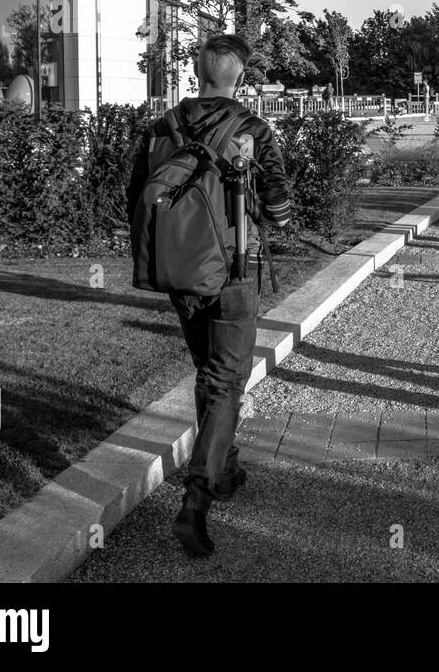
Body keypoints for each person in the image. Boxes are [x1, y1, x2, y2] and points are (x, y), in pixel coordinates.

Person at [125, 34, 293, 556]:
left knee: (211, 374)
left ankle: (224, 468)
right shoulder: (253, 129)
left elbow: (132, 199)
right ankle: (195, 501)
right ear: (239, 76)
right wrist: (263, 216)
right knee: (226, 381)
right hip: (233, 272)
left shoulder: (160, 129)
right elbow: (280, 207)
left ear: (197, 74)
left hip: (179, 273)